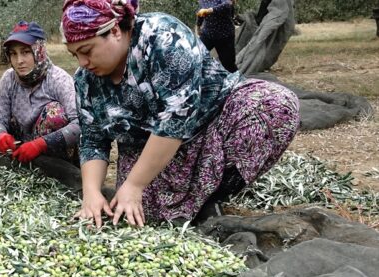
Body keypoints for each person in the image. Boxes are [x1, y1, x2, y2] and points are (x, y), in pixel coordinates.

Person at [62, 0, 299, 227]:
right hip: (151, 153)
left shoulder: (163, 38)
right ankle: (188, 201)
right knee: (142, 212)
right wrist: (91, 194)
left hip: (213, 122)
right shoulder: (86, 81)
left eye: (87, 50)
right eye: (75, 55)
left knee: (276, 107)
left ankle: (210, 197)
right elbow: (93, 140)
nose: (82, 62)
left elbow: (174, 120)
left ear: (114, 30)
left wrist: (134, 185)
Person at [0, 21, 81, 165]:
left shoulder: (58, 79)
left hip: (52, 151)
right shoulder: (8, 79)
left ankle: (52, 168)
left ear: (39, 51)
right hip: (22, 144)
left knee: (54, 113)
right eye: (13, 54)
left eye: (25, 52)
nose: (19, 61)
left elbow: (80, 124)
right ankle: (17, 161)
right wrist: (0, 135)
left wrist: (40, 144)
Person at [196, 0, 238, 72]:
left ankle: (238, 81)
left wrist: (209, 10)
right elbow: (201, 12)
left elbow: (228, 5)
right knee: (197, 55)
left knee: (228, 65)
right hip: (207, 34)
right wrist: (198, 26)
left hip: (224, 36)